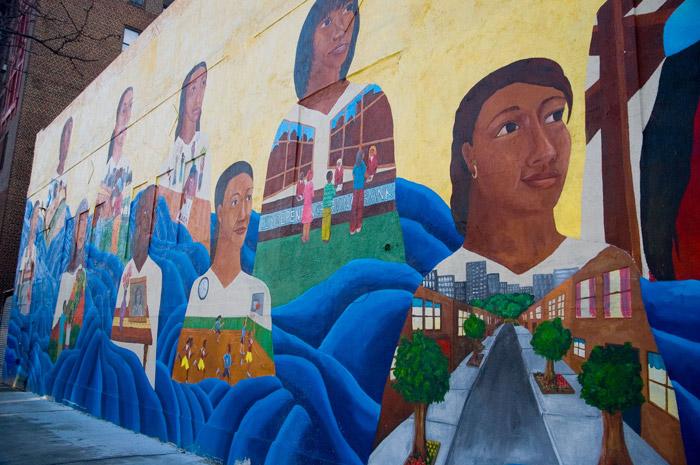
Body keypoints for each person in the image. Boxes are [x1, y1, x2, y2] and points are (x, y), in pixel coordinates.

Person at [256, 0, 405, 306]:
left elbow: (386, 214)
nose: (341, 30)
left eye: (349, 12)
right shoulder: (287, 127)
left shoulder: (370, 100)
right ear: (307, 39)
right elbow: (271, 240)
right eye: (327, 22)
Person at [436, 58, 611, 288]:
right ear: (470, 157)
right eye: (510, 128)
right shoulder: (440, 290)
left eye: (554, 116)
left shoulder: (606, 271)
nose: (546, 151)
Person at [173, 162, 275, 385]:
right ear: (219, 213)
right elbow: (183, 375)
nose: (244, 214)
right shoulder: (199, 290)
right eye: (235, 201)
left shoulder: (258, 292)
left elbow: (263, 379)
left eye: (249, 198)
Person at [109, 186, 163, 387]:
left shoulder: (155, 272)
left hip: (141, 369)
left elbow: (152, 338)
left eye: (154, 212)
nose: (150, 219)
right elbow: (117, 331)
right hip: (122, 367)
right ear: (138, 217)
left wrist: (147, 382)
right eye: (146, 212)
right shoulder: (127, 270)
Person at [159, 62, 211, 250]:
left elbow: (204, 217)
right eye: (193, 88)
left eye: (204, 84)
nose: (198, 97)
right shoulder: (167, 163)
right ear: (183, 97)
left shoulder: (205, 144)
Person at [49, 199, 89, 363]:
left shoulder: (87, 266)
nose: (84, 225)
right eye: (81, 220)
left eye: (87, 219)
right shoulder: (67, 272)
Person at [96, 88, 134, 260]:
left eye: (131, 108)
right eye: (123, 109)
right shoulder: (103, 171)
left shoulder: (129, 167)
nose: (127, 117)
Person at [44, 118, 72, 245]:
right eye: (65, 136)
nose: (67, 143)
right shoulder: (52, 179)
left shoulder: (70, 177)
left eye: (70, 136)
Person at [350, 149, 366, 234]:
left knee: (354, 208)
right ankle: (358, 226)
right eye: (363, 154)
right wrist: (369, 177)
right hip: (360, 188)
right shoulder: (363, 164)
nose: (364, 155)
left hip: (355, 188)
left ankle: (352, 228)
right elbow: (365, 173)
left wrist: (355, 181)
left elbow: (353, 175)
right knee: (359, 207)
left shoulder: (355, 166)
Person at [301, 170, 314, 243]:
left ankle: (306, 235)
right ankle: (304, 236)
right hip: (306, 205)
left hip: (308, 205)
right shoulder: (307, 185)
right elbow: (309, 194)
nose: (310, 176)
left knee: (308, 222)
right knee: (306, 222)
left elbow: (311, 194)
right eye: (310, 175)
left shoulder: (310, 184)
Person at [322, 170, 335, 242]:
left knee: (324, 222)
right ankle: (327, 237)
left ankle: (323, 237)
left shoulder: (325, 186)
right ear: (331, 177)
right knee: (328, 221)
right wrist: (335, 190)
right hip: (329, 205)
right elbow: (333, 194)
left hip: (324, 205)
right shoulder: (331, 186)